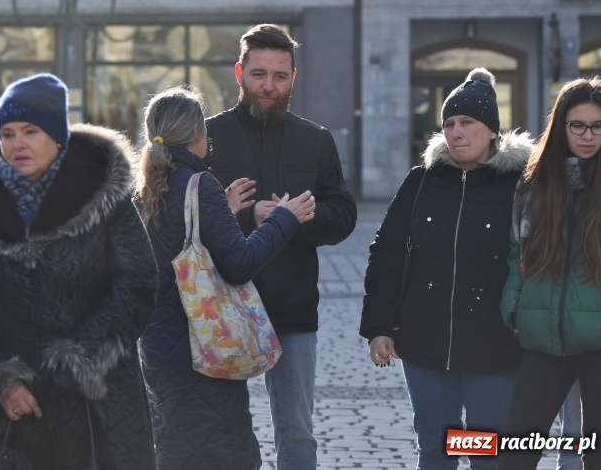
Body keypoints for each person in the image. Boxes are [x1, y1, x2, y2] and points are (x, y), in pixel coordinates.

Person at [0, 73, 159, 470]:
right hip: (17, 414)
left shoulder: (103, 194)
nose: (17, 143)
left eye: (29, 131)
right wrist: (0, 379)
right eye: (6, 133)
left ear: (57, 136)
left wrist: (77, 362)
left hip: (99, 405)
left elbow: (137, 283)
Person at [134, 85, 316, 469]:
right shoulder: (201, 186)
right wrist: (285, 218)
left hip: (159, 348)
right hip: (204, 346)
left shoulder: (145, 190)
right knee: (220, 449)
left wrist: (223, 214)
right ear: (199, 133)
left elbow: (175, 251)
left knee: (174, 445)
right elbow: (238, 264)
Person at [361, 68, 533, 470]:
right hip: (424, 342)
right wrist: (379, 327)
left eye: (467, 123)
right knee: (436, 451)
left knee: (485, 453)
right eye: (449, 124)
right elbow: (385, 253)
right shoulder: (422, 181)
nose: (456, 133)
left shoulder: (521, 185)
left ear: (491, 129)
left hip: (496, 345)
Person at [204, 24, 357, 470]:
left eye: (279, 76)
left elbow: (344, 216)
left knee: (296, 433)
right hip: (219, 308)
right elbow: (183, 217)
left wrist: (296, 220)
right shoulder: (207, 137)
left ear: (294, 77)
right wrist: (243, 218)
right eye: (258, 74)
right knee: (216, 430)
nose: (268, 86)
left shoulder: (316, 140)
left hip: (291, 309)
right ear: (239, 72)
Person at [499, 77, 601, 470]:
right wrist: (515, 303)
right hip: (543, 337)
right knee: (515, 455)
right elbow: (517, 249)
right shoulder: (535, 181)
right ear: (561, 125)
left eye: (598, 126)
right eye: (577, 125)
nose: (587, 135)